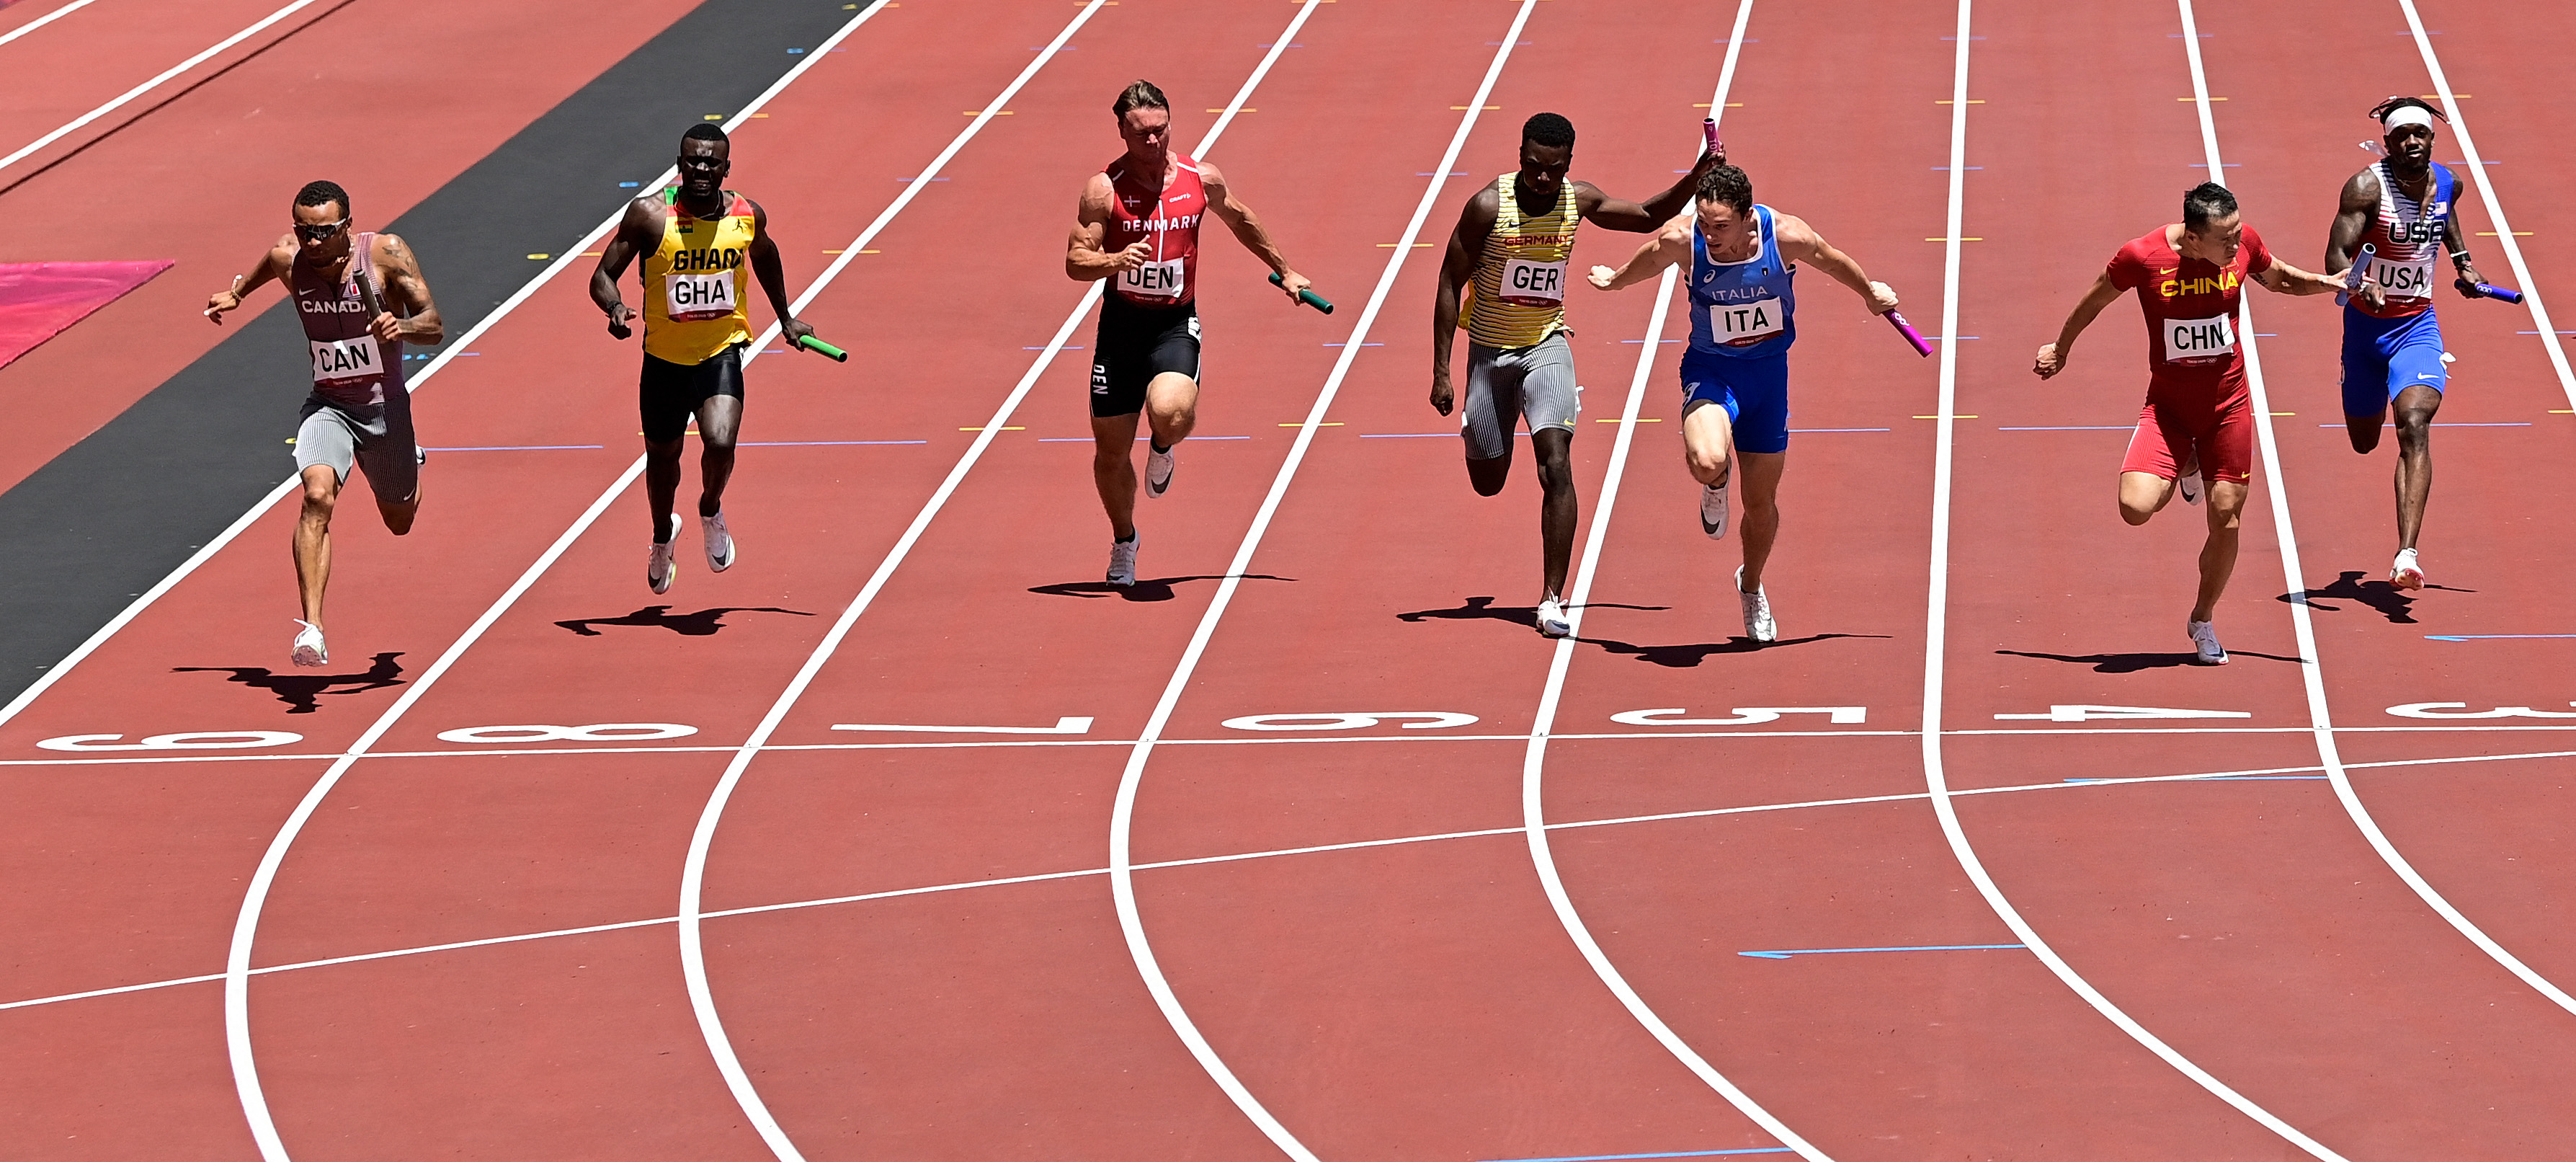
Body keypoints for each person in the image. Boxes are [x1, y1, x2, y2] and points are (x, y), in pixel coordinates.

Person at [2034, 182, 2374, 665]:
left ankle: (2202, 619)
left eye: (2238, 234)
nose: (2236, 246)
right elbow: (2094, 299)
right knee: (2135, 507)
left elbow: (2276, 277)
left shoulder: (2243, 245)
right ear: (2192, 239)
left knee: (2225, 517)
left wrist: (2329, 282)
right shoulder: (2141, 257)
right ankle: (2185, 462)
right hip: (2169, 409)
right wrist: (2060, 348)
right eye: (2225, 239)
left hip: (2227, 405)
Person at [1587, 163, 1900, 644]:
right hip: (1711, 372)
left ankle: (1750, 585)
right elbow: (1648, 258)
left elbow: (1833, 261)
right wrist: (1616, 280)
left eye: (1720, 226)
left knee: (1760, 505)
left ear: (1748, 217)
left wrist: (1869, 293)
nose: (1709, 235)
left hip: (1768, 379)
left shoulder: (1787, 237)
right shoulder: (1683, 241)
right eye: (1704, 224)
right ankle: (1716, 479)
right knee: (1707, 459)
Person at [1433, 112, 1717, 637]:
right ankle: (1482, 430)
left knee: (1556, 465)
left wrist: (1694, 178)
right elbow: (1450, 282)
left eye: (1553, 169)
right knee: (1487, 481)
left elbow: (1647, 216)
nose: (1542, 179)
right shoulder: (1487, 208)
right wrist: (1441, 372)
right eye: (1533, 167)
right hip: (1489, 352)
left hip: (1546, 345)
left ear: (1568, 164)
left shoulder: (1578, 201)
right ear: (1520, 156)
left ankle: (1550, 600)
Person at [1065, 79, 1311, 587]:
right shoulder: (1104, 189)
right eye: (1140, 134)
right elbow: (1075, 261)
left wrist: (1285, 270)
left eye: (1159, 130)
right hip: (1120, 328)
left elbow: (1240, 218)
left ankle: (1162, 445)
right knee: (1111, 454)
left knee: (1171, 413)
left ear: (1170, 124)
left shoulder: (1201, 178)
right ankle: (1125, 540)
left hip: (1174, 323)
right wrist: (1113, 259)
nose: (1151, 142)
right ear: (1121, 132)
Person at [204, 179, 442, 668]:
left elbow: (434, 325)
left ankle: (410, 461)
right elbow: (270, 263)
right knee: (316, 498)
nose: (312, 242)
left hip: (383, 408)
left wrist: (405, 327)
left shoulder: (386, 255)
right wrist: (236, 295)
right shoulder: (290, 260)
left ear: (347, 228)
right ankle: (312, 629)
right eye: (304, 231)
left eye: (324, 232)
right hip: (327, 405)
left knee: (399, 521)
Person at [591, 123, 821, 593]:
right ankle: (661, 538)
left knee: (719, 442)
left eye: (710, 162)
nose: (700, 169)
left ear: (725, 168)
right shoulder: (649, 216)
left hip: (720, 352)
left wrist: (786, 318)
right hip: (662, 360)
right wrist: (614, 307)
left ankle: (711, 508)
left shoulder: (745, 215)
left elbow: (766, 257)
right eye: (692, 160)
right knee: (663, 459)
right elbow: (602, 276)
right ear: (680, 164)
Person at [2327, 96, 2486, 590]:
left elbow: (2445, 218)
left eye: (2420, 135)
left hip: (2417, 327)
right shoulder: (2365, 187)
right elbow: (2335, 253)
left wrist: (2462, 262)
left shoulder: (2447, 181)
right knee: (2363, 441)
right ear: (2387, 142)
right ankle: (2361, 387)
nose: (2412, 143)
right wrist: (2361, 280)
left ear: (2431, 140)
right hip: (2365, 331)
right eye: (2402, 137)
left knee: (2413, 423)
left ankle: (2406, 554)